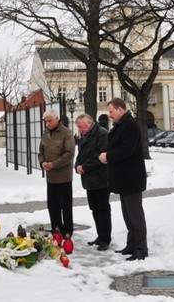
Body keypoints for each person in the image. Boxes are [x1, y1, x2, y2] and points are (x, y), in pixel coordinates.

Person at [99, 97, 148, 261]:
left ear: (120, 109)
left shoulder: (131, 125)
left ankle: (141, 249)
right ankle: (131, 245)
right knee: (128, 215)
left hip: (131, 178)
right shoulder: (122, 125)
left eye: (111, 111)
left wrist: (108, 156)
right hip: (124, 179)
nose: (110, 115)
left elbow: (126, 150)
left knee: (135, 216)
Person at [74, 113, 112, 251]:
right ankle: (100, 235)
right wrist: (77, 166)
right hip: (89, 179)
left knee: (103, 209)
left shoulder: (102, 134)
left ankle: (105, 239)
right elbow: (80, 154)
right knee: (94, 209)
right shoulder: (85, 135)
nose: (79, 129)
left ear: (89, 124)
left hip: (101, 178)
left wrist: (84, 167)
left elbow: (100, 155)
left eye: (80, 126)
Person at [38, 108, 75, 237]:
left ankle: (68, 230)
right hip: (51, 177)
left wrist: (54, 164)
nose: (47, 123)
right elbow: (41, 151)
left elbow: (69, 154)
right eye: (45, 121)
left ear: (57, 119)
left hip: (63, 177)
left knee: (65, 206)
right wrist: (42, 162)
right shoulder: (46, 133)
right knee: (52, 206)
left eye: (49, 121)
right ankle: (56, 229)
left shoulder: (67, 133)